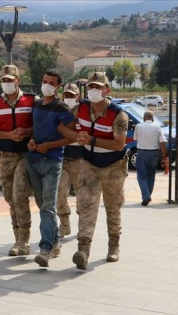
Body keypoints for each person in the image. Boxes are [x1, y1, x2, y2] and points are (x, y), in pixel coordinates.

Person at [57, 72, 129, 270]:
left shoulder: (118, 114)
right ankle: (83, 249)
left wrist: (92, 140)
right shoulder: (81, 108)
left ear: (108, 90)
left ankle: (113, 245)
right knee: (86, 204)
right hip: (89, 163)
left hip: (113, 165)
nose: (95, 90)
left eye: (99, 87)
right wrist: (76, 136)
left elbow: (119, 145)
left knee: (113, 207)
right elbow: (62, 128)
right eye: (91, 87)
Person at [26, 68, 75, 268]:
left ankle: (45, 248)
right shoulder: (37, 105)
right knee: (42, 204)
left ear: (58, 87)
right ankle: (55, 242)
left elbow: (72, 136)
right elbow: (35, 130)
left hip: (52, 161)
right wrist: (31, 141)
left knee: (48, 206)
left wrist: (51, 145)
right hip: (33, 160)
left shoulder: (62, 109)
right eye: (45, 81)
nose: (46, 85)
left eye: (51, 83)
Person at [0, 65, 34, 256]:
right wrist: (8, 135)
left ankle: (25, 240)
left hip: (25, 156)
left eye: (10, 79)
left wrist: (27, 132)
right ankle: (17, 238)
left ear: (18, 81)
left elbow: (40, 124)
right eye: (3, 80)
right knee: (10, 199)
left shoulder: (31, 100)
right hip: (5, 156)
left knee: (19, 195)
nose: (6, 83)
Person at [57, 83, 82, 238]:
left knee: (82, 195)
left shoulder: (84, 112)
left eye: (72, 95)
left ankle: (83, 225)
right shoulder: (59, 110)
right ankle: (64, 225)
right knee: (60, 193)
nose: (69, 98)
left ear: (78, 97)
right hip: (62, 157)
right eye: (67, 95)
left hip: (80, 159)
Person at [134, 111, 168, 206]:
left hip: (142, 152)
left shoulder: (138, 126)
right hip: (154, 153)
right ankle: (147, 195)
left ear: (144, 118)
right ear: (152, 119)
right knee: (151, 176)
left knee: (141, 176)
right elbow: (163, 143)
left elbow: (135, 139)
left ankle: (146, 196)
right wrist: (164, 157)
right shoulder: (157, 127)